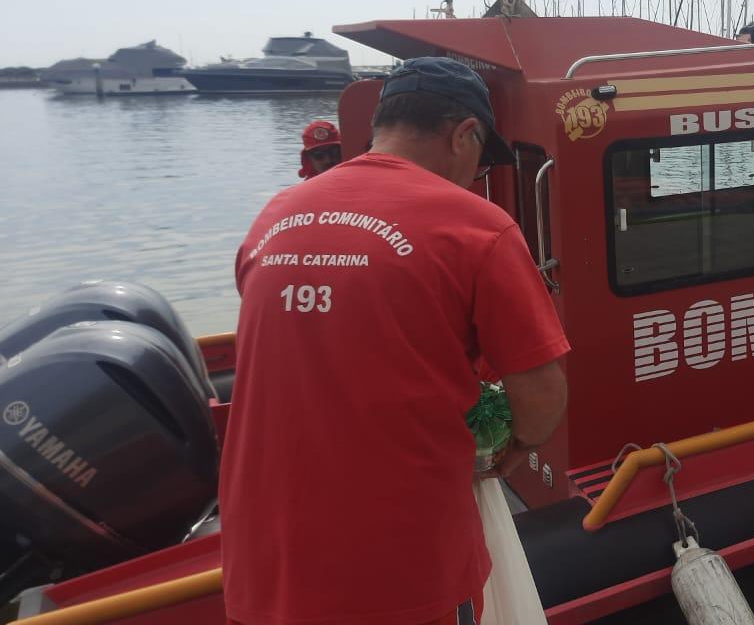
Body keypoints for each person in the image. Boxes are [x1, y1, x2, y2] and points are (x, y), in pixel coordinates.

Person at [220, 57, 570, 625]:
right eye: (481, 162)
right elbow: (543, 395)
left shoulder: (273, 218)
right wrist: (517, 448)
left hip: (265, 564)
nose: (477, 177)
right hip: (399, 573)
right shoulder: (477, 227)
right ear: (464, 135)